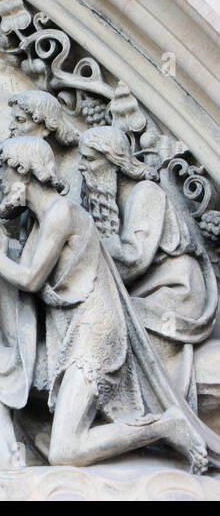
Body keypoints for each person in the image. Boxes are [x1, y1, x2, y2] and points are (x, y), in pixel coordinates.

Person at [0, 137, 215, 471]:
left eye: (3, 171)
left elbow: (32, 279)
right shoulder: (38, 224)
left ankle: (163, 426)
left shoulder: (62, 213)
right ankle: (8, 455)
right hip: (64, 338)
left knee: (65, 452)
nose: (0, 182)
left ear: (23, 172)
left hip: (94, 338)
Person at [78, 126, 217, 405]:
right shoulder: (111, 199)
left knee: (105, 330)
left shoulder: (145, 193)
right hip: (145, 290)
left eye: (90, 159)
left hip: (175, 292)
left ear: (114, 161)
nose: (82, 167)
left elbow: (134, 259)